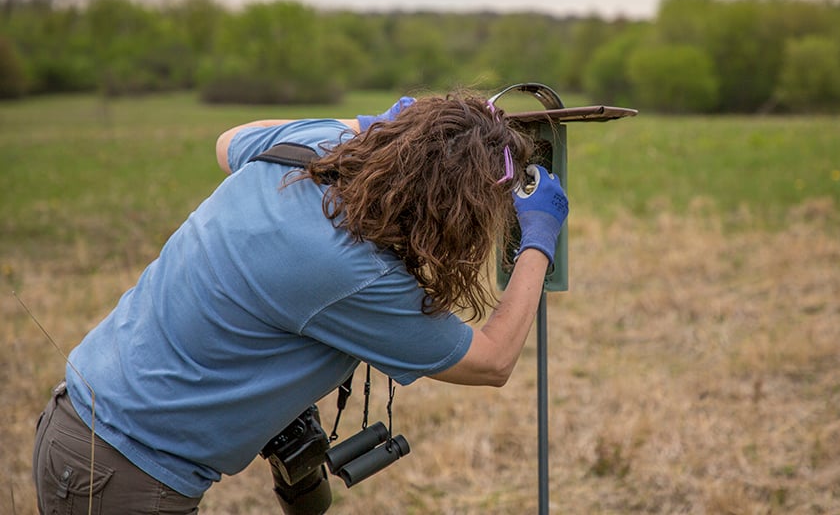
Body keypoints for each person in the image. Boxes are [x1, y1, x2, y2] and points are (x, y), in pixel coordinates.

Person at [32, 92, 568, 514]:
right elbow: (494, 360)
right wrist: (538, 239)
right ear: (448, 210)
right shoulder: (352, 272)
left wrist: (366, 126)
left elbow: (229, 141)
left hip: (75, 420)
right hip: (128, 476)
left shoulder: (316, 145)